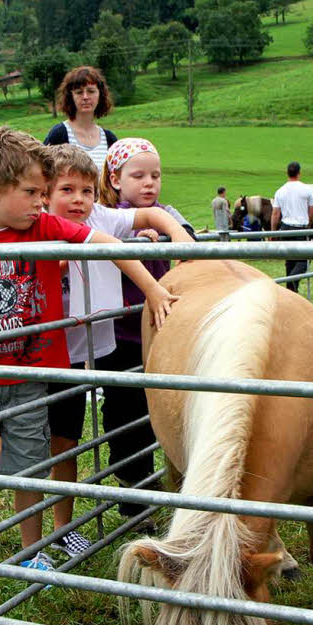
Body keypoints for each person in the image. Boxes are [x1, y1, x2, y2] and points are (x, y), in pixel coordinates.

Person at [0, 126, 178, 606]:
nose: (39, 203)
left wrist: (151, 287)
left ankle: (33, 553)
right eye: (32, 193)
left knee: (29, 468)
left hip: (31, 381)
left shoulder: (46, 229)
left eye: (44, 193)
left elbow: (107, 243)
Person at [97, 138, 196, 515]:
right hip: (120, 337)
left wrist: (175, 235)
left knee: (166, 408)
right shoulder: (109, 217)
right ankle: (134, 498)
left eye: (155, 174)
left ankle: (172, 485)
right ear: (116, 179)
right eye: (137, 175)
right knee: (125, 415)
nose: (149, 183)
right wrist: (135, 241)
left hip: (162, 333)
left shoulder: (167, 212)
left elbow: (188, 239)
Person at [43, 66, 117, 171]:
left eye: (91, 91)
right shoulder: (59, 134)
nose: (85, 97)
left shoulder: (109, 139)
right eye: (79, 92)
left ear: (100, 95)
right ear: (70, 96)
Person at [271, 161, 313, 292]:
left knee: (289, 261)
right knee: (303, 261)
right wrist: (309, 222)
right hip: (301, 228)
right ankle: (291, 283)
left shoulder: (280, 191)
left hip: (285, 228)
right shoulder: (306, 190)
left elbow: (275, 213)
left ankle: (290, 290)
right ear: (299, 173)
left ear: (287, 173)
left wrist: (273, 232)